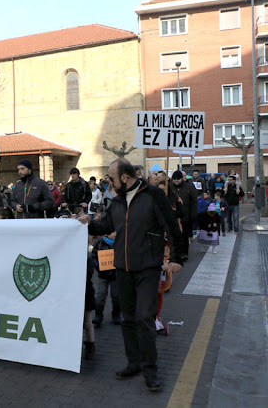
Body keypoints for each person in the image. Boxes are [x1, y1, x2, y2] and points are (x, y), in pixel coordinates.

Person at [79, 158, 183, 392]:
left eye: (111, 178)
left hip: (148, 268)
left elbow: (173, 227)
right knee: (127, 319)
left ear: (124, 178)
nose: (109, 181)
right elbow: (105, 225)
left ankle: (150, 370)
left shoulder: (154, 195)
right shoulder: (116, 201)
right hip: (122, 269)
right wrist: (86, 223)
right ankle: (133, 363)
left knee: (144, 319)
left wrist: (177, 258)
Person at [91, 232, 120, 328]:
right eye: (113, 232)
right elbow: (94, 257)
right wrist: (99, 268)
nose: (115, 233)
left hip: (115, 275)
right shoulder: (99, 244)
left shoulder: (120, 243)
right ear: (107, 234)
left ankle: (116, 315)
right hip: (103, 275)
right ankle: (98, 316)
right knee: (100, 295)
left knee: (116, 296)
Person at [169, 170, 198, 261]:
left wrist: (193, 215)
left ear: (182, 179)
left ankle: (184, 253)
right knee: (174, 237)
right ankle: (176, 253)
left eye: (178, 179)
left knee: (184, 236)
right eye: (174, 179)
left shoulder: (189, 187)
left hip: (185, 216)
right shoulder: (169, 187)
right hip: (173, 217)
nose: (176, 180)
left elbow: (194, 202)